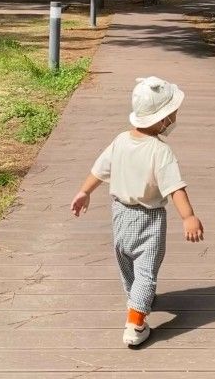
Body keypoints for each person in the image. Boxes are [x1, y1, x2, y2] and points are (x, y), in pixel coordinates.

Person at [70, 76, 204, 347]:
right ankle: (135, 324)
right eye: (173, 114)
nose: (175, 118)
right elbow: (175, 188)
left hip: (120, 214)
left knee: (127, 264)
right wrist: (188, 217)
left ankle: (137, 300)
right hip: (149, 219)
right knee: (146, 271)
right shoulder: (160, 151)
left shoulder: (120, 140)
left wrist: (84, 192)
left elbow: (100, 169)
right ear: (162, 119)